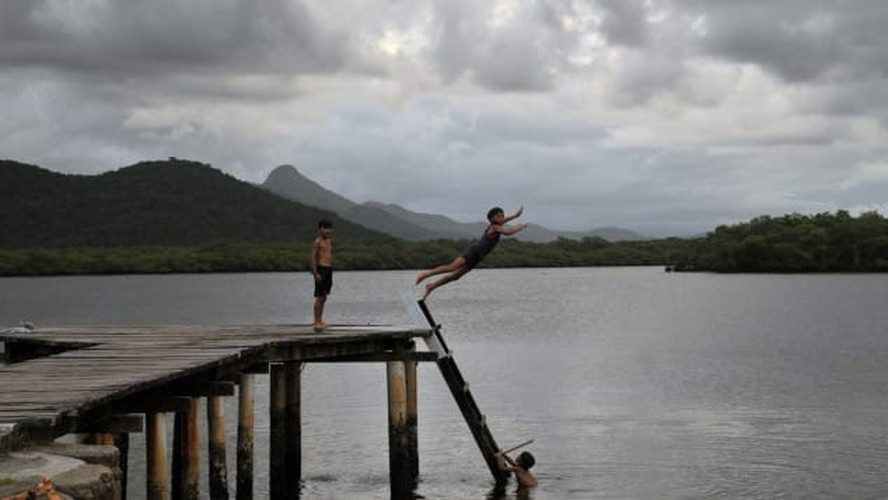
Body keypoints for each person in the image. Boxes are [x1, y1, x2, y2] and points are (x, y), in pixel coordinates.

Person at [415, 206, 527, 299]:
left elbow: (504, 220)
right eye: (499, 216)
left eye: (503, 215)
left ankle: (431, 286)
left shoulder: (498, 223)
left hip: (477, 257)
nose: (502, 217)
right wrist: (520, 227)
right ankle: (425, 274)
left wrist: (515, 216)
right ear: (492, 218)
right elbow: (508, 232)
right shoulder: (495, 227)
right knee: (451, 267)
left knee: (455, 276)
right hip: (473, 252)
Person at [310, 219, 333, 332]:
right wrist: (315, 273)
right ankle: (316, 321)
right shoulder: (317, 242)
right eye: (325, 228)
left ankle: (320, 320)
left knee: (324, 296)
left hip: (328, 269)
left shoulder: (328, 241)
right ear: (320, 229)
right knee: (319, 296)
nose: (327, 230)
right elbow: (313, 258)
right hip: (321, 269)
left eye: (329, 228)